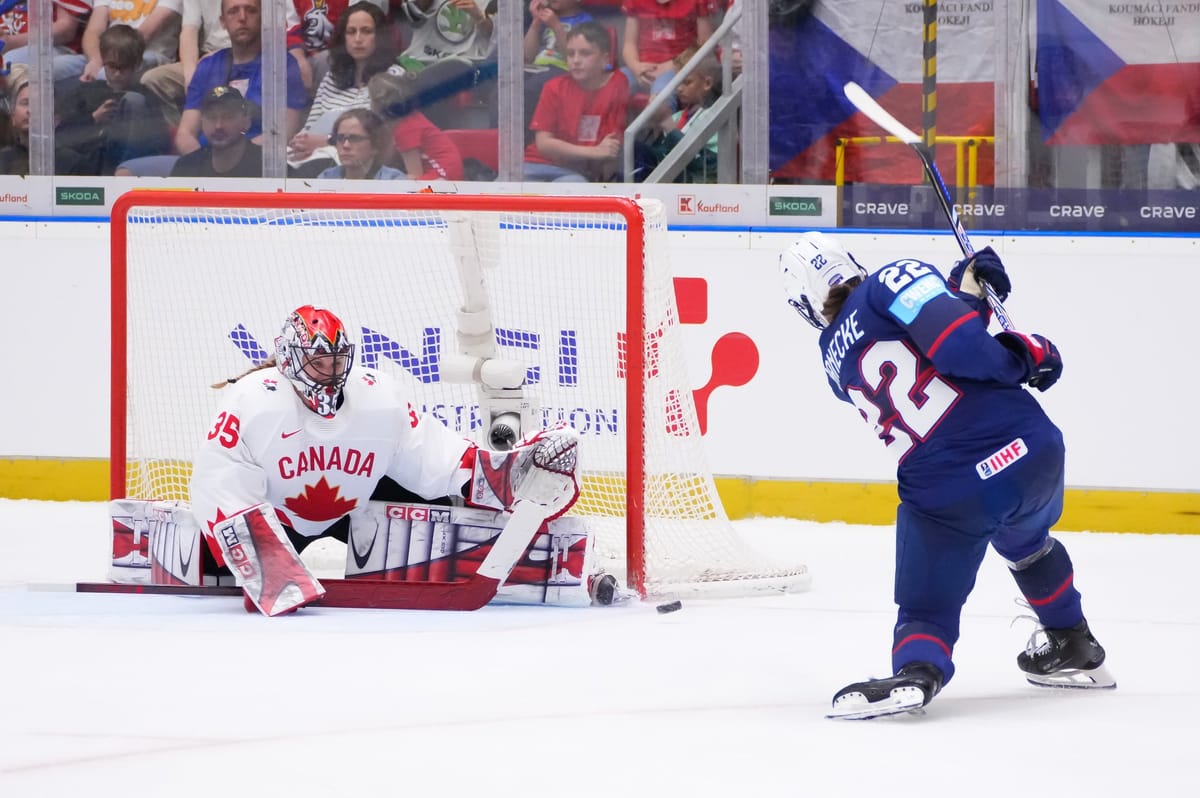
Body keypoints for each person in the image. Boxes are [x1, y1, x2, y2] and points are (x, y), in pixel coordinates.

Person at [778, 233, 1115, 719]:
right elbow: (959, 348)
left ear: (806, 304)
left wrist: (964, 293)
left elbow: (937, 351)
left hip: (952, 491)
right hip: (1030, 452)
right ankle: (1072, 639)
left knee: (927, 608)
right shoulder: (894, 278)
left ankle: (919, 670)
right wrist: (1027, 354)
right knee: (1029, 543)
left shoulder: (833, 360)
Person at [189, 305, 582, 614]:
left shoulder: (374, 394)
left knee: (437, 510)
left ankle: (499, 519)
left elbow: (426, 452)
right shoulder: (254, 398)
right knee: (214, 571)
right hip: (278, 519)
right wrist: (262, 559)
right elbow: (221, 475)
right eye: (318, 364)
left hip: (354, 511)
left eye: (337, 362)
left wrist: (494, 477)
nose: (330, 375)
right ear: (291, 360)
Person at [174, 0, 308, 156]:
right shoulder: (207, 67)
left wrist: (235, 160)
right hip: (205, 163)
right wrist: (206, 166)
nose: (242, 17)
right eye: (233, 11)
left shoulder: (282, 65)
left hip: (258, 165)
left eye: (251, 10)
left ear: (263, 18)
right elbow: (185, 134)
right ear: (223, 22)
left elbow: (284, 132)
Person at [288, 1, 396, 177]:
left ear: (380, 36)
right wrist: (300, 143)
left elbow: (382, 139)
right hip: (312, 157)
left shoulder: (393, 77)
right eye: (351, 32)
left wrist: (326, 142)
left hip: (357, 166)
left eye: (366, 31)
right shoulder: (333, 76)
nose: (358, 39)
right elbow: (310, 126)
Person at [55, 25, 172, 175]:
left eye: (124, 67)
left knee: (133, 100)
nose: (117, 73)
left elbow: (160, 143)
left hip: (130, 164)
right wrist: (93, 118)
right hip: (91, 165)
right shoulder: (86, 92)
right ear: (103, 61)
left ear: (136, 65)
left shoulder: (146, 95)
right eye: (112, 66)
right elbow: (62, 136)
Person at [523, 21, 628, 183]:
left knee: (574, 186)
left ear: (605, 59)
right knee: (497, 192)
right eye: (571, 54)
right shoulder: (554, 87)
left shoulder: (617, 84)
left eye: (585, 53)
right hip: (534, 165)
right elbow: (543, 144)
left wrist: (600, 157)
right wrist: (593, 152)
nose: (576, 60)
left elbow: (610, 149)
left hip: (574, 174)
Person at [139, 0, 232, 126]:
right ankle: (180, 135)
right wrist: (191, 77)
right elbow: (189, 31)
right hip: (208, 57)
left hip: (242, 53)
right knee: (153, 80)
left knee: (215, 78)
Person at [633, 49, 720, 183]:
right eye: (677, 82)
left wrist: (666, 122)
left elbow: (706, 166)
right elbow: (660, 158)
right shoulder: (677, 117)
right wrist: (654, 122)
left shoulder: (717, 118)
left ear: (707, 83)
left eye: (687, 82)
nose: (679, 88)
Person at [619, 0, 719, 108]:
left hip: (679, 67)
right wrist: (635, 66)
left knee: (659, 100)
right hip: (641, 68)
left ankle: (661, 124)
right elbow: (629, 44)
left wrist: (672, 65)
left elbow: (705, 44)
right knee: (613, 86)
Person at [367, 69, 463, 180]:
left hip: (442, 178)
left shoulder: (405, 130)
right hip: (443, 173)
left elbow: (415, 176)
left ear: (376, 105)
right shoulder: (411, 117)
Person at [79, 0, 183, 83]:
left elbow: (142, 35)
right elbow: (93, 31)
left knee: (102, 75)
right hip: (107, 54)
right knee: (63, 66)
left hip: (146, 54)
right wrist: (95, 60)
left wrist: (107, 63)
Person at [169, 85, 262, 177]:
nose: (218, 126)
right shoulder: (186, 167)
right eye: (211, 117)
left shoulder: (265, 164)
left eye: (228, 117)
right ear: (202, 122)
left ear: (246, 122)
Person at [316, 108, 406, 179]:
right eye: (340, 138)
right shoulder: (326, 177)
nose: (345, 145)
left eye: (354, 138)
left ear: (375, 145)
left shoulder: (393, 180)